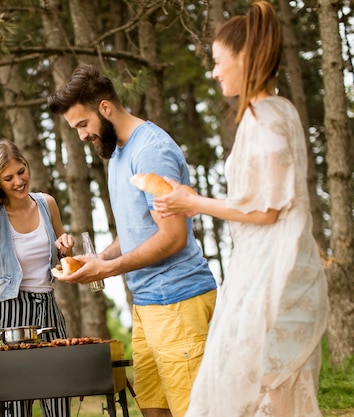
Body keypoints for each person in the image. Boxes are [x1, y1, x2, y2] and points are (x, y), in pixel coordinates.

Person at [153, 2, 329, 416]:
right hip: (268, 268)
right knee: (261, 388)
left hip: (276, 273)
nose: (214, 72)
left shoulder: (265, 118)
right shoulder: (276, 110)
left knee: (251, 387)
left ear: (244, 58)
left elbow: (268, 212)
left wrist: (193, 202)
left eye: (218, 61)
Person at [47, 65, 217, 417]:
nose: (81, 136)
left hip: (179, 303)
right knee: (153, 410)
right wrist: (96, 261)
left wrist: (108, 267)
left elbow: (172, 237)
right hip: (147, 305)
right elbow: (136, 231)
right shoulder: (118, 154)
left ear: (105, 108)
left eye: (83, 125)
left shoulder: (150, 151)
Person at [0, 139, 75, 417]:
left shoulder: (47, 204)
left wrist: (65, 249)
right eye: (8, 177)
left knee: (58, 400)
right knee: (17, 406)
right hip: (11, 316)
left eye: (21, 171)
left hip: (49, 310)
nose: (19, 181)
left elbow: (63, 261)